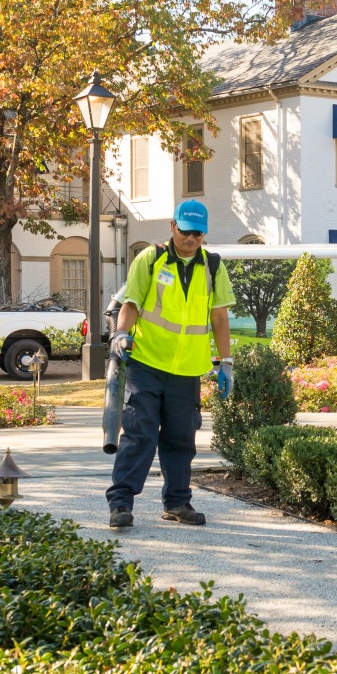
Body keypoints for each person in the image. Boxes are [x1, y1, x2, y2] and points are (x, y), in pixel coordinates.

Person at [105, 199, 234, 528]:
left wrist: (225, 362)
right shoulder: (151, 259)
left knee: (181, 439)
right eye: (185, 230)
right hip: (146, 364)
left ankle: (177, 503)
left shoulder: (213, 267)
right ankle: (120, 503)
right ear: (173, 226)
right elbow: (131, 303)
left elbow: (219, 317)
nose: (191, 238)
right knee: (139, 435)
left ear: (204, 233)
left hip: (187, 370)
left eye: (198, 233)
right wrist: (121, 334)